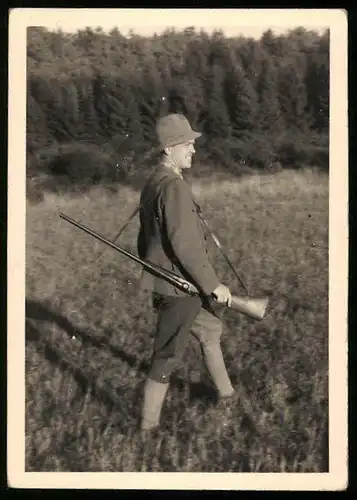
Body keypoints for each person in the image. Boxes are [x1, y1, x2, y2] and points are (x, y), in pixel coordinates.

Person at [137, 113, 235, 432]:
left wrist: (155, 267)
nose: (193, 150)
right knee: (166, 357)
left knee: (209, 331)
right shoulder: (175, 187)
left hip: (171, 282)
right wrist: (213, 284)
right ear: (169, 148)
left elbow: (145, 238)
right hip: (181, 289)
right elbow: (186, 246)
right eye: (187, 145)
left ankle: (228, 396)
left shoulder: (154, 181)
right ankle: (147, 429)